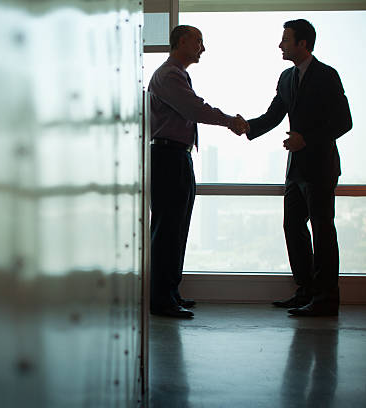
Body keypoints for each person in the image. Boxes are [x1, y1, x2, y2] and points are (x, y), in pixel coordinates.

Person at [244, 19, 352, 316]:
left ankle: (327, 299)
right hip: (295, 169)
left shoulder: (327, 75)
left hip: (320, 167)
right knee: (292, 227)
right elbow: (274, 114)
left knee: (322, 231)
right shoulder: (286, 78)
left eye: (286, 40)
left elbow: (345, 122)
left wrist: (306, 140)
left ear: (303, 44)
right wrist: (246, 127)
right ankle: (305, 291)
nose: (280, 45)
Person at [148, 25, 248, 318]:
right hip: (168, 157)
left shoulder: (177, 74)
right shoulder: (169, 75)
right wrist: (230, 121)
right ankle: (161, 299)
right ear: (181, 42)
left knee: (176, 229)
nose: (202, 48)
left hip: (177, 155)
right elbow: (195, 109)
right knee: (168, 230)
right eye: (198, 42)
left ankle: (170, 293)